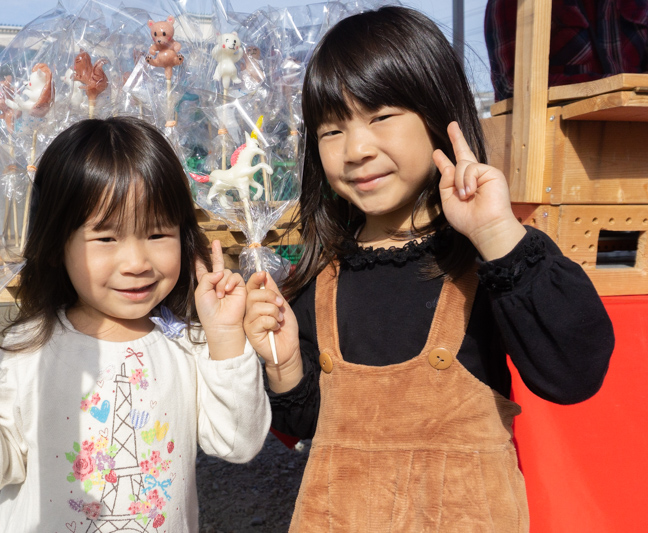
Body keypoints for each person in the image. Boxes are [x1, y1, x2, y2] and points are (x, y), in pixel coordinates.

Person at [243, 7, 614, 532]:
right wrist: (282, 367)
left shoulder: (489, 259)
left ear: (437, 113)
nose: (356, 149)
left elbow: (573, 373)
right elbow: (308, 425)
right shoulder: (321, 276)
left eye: (380, 117)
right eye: (332, 129)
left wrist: (497, 234)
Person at [0, 116, 271, 532]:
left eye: (157, 234)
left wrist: (225, 336)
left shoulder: (188, 344)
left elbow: (238, 442)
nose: (137, 263)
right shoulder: (30, 347)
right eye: (106, 238)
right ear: (56, 244)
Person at [485, 0, 648, 101]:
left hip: (636, 135)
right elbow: (513, 86)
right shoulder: (519, 4)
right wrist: (618, 86)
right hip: (555, 140)